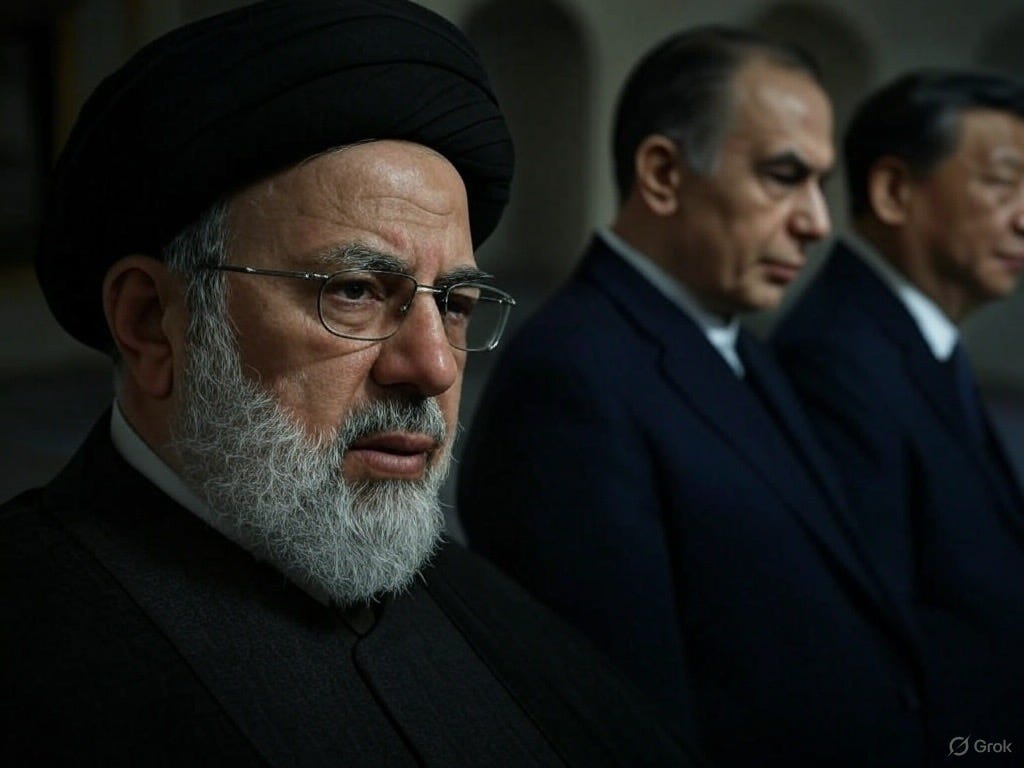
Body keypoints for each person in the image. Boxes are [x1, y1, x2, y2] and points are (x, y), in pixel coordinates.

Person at [0, 2, 700, 765]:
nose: (434, 367)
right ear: (152, 323)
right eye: (355, 291)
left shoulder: (498, 614)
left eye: (455, 304)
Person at [457, 27, 932, 767]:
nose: (818, 222)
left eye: (820, 182)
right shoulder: (571, 379)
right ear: (663, 174)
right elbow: (624, 721)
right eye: (783, 176)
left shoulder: (733, 337)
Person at [773, 70, 1024, 747]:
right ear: (892, 190)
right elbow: (870, 650)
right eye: (1002, 183)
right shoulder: (836, 361)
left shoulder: (914, 336)